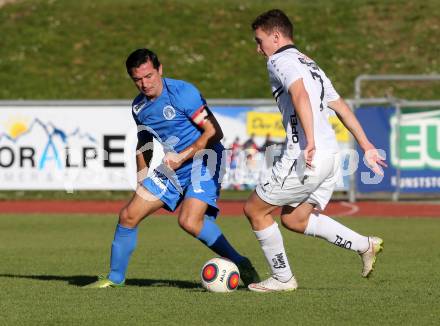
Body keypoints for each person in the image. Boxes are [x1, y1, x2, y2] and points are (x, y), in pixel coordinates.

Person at [85, 48, 259, 288]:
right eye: (137, 79)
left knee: (189, 220)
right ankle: (115, 278)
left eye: (149, 76)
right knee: (128, 215)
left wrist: (183, 156)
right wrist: (142, 177)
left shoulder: (182, 93)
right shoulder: (138, 108)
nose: (144, 84)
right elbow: (144, 142)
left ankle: (241, 263)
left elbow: (214, 132)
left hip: (205, 159)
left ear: (160, 70)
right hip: (174, 166)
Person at [244, 9, 387, 292]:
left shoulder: (279, 60)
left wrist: (309, 140)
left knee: (255, 210)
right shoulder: (311, 64)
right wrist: (366, 144)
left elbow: (299, 94)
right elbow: (342, 106)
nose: (258, 48)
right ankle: (364, 245)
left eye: (260, 40)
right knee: (295, 219)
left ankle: (282, 279)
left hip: (306, 155)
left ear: (276, 36)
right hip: (332, 157)